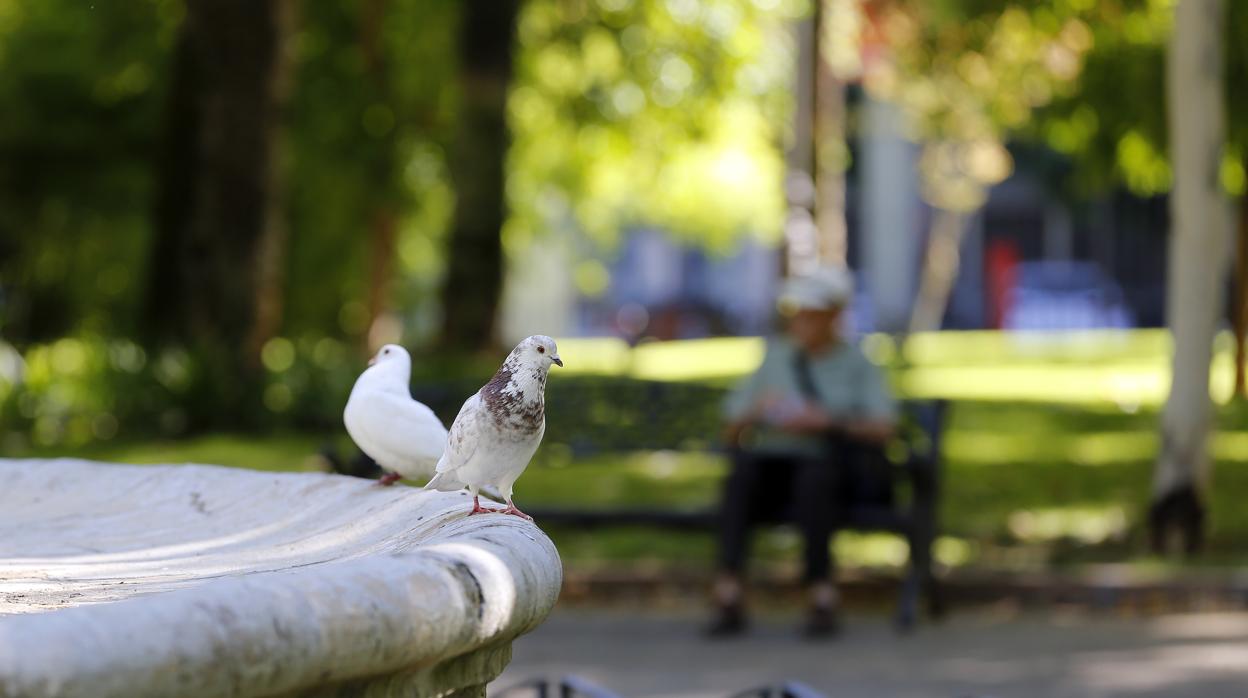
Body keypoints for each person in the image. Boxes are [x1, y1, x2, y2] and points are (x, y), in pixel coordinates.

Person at [709, 266, 898, 639]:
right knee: (741, 476)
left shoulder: (858, 363)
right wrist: (758, 411)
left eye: (812, 313)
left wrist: (828, 421)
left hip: (834, 469)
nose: (802, 320)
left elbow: (884, 428)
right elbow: (729, 429)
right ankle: (728, 588)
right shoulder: (777, 357)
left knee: (816, 479)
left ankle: (820, 593)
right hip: (774, 465)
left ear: (834, 316)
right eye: (798, 311)